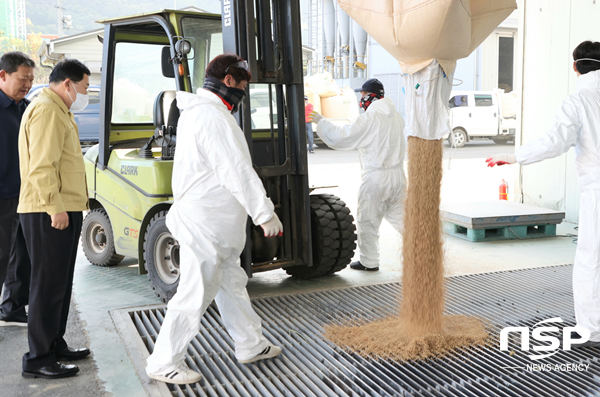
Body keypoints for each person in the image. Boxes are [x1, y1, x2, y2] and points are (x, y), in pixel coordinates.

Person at [145, 54, 283, 385]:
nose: (245, 90)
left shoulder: (205, 113)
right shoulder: (211, 117)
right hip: (205, 225)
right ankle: (164, 360)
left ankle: (250, 343)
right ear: (229, 81)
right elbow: (235, 170)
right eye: (244, 83)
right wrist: (264, 212)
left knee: (231, 285)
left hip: (216, 224)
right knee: (195, 292)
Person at [486, 41, 600, 349]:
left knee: (592, 259)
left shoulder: (580, 99)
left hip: (598, 192)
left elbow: (554, 142)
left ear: (575, 67)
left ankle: (591, 329)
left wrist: (513, 157)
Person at [18, 59, 91, 379]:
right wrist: (55, 208)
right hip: (48, 209)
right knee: (47, 285)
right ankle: (38, 358)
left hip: (61, 206)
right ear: (67, 84)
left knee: (59, 282)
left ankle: (54, 343)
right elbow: (41, 167)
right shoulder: (47, 110)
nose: (84, 94)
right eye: (84, 88)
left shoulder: (58, 110)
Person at [310, 78, 406, 271]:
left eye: (362, 94)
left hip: (376, 179)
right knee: (405, 220)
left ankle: (369, 262)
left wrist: (321, 122)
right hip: (398, 177)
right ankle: (426, 255)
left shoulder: (370, 118)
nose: (360, 99)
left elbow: (344, 136)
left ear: (370, 95)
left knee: (368, 221)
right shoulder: (396, 116)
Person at [0, 52, 34, 327]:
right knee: (1, 255)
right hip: (3, 193)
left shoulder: (25, 106)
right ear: (3, 75)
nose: (28, 84)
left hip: (25, 193)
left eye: (31, 79)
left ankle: (12, 306)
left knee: (21, 254)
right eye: (23, 79)